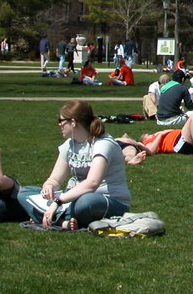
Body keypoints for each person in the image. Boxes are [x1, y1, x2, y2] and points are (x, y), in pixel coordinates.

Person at [17, 99, 131, 230]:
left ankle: (50, 218)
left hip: (107, 200)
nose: (59, 125)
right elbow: (55, 179)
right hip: (71, 198)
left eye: (61, 121)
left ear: (73, 122)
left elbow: (92, 183)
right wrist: (48, 187)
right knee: (24, 193)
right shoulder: (69, 145)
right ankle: (63, 222)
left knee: (86, 202)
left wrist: (58, 202)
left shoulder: (103, 144)